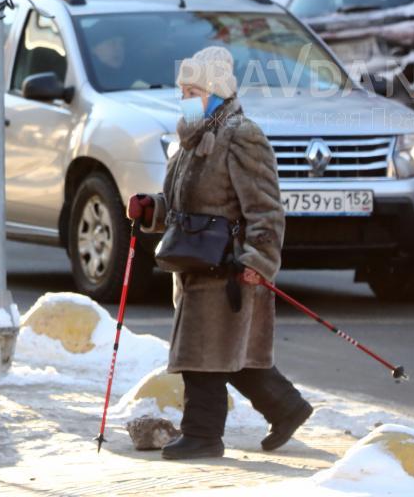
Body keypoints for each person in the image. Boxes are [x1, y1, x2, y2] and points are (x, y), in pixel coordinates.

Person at [127, 45, 312, 460]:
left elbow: (266, 208)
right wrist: (152, 207)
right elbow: (184, 204)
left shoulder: (241, 135)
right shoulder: (190, 138)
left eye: (193, 89)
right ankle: (287, 408)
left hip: (228, 268)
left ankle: (203, 435)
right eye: (183, 90)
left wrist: (258, 262)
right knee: (231, 354)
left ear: (215, 90)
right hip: (196, 261)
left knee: (202, 355)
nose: (186, 97)